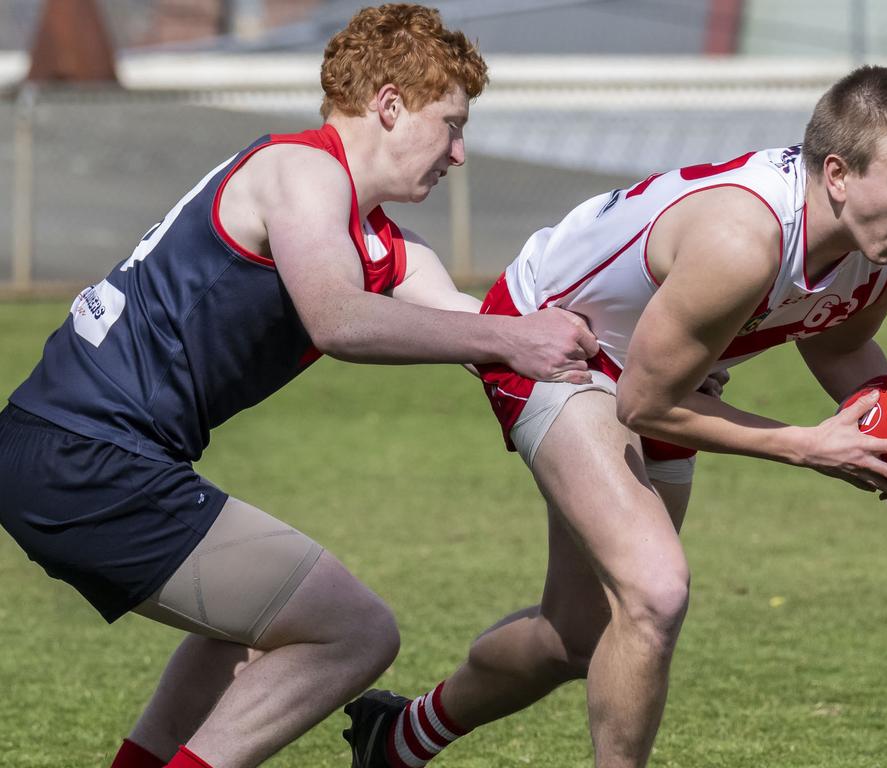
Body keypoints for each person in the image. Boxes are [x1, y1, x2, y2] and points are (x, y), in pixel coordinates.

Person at [0, 6, 599, 768]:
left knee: (252, 625)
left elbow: (474, 326)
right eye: (450, 123)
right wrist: (513, 338)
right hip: (86, 455)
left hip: (76, 453)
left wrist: (614, 349)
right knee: (356, 632)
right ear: (388, 106)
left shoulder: (383, 242)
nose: (460, 151)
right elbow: (339, 320)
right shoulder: (302, 171)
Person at [342, 65, 887, 768]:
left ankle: (396, 740)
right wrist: (806, 446)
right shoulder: (741, 239)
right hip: (549, 342)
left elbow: (840, 344)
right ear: (840, 175)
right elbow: (645, 406)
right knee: (654, 592)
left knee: (578, 637)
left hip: (662, 371)